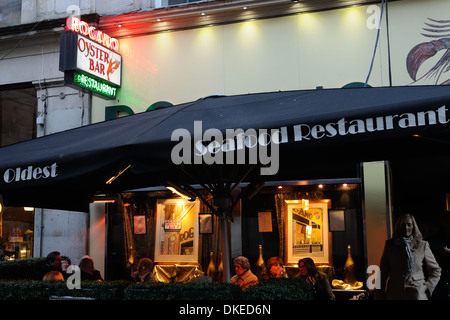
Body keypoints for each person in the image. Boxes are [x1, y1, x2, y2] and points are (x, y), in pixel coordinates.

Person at [379, 213, 441, 300]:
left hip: (417, 294)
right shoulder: (390, 245)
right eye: (403, 225)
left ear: (413, 226)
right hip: (395, 294)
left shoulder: (422, 245)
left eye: (409, 225)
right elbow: (382, 273)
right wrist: (378, 295)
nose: (406, 228)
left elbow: (436, 270)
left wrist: (428, 286)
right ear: (399, 226)